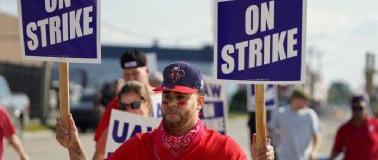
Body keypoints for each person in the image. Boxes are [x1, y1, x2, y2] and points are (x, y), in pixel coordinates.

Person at [56, 61, 275, 160]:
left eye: (181, 98)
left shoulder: (225, 150)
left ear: (199, 102)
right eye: (168, 96)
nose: (171, 102)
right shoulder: (139, 145)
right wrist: (74, 145)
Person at [93, 49, 151, 144]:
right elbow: (101, 146)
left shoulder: (163, 99)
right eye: (127, 75)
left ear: (147, 70)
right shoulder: (116, 104)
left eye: (135, 73)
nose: (131, 78)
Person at [330, 95, 378, 160]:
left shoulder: (376, 124)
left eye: (360, 108)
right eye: (354, 108)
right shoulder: (344, 129)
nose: (357, 111)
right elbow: (336, 150)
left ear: (366, 108)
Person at [92, 82, 152, 160]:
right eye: (124, 107)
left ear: (148, 104)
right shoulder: (111, 132)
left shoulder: (161, 132)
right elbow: (98, 157)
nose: (129, 111)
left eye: (135, 105)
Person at [268, 89, 320, 160]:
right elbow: (269, 130)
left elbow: (317, 136)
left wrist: (314, 151)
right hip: (284, 157)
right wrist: (271, 147)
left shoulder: (310, 114)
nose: (307, 103)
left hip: (305, 157)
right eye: (304, 100)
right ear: (295, 99)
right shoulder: (281, 113)